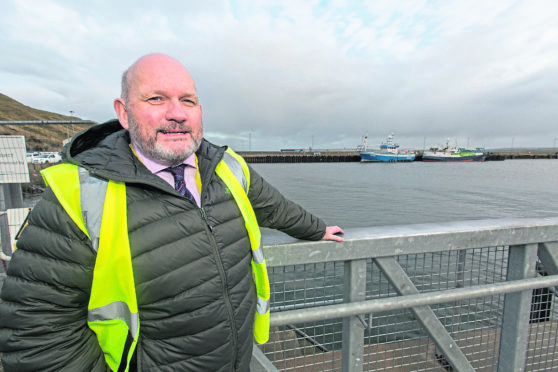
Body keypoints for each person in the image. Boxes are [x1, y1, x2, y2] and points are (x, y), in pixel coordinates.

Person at [0, 53, 344, 372]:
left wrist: (316, 229)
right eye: (156, 99)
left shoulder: (226, 167)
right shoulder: (79, 195)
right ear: (123, 112)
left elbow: (273, 207)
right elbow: (35, 333)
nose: (177, 113)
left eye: (188, 101)